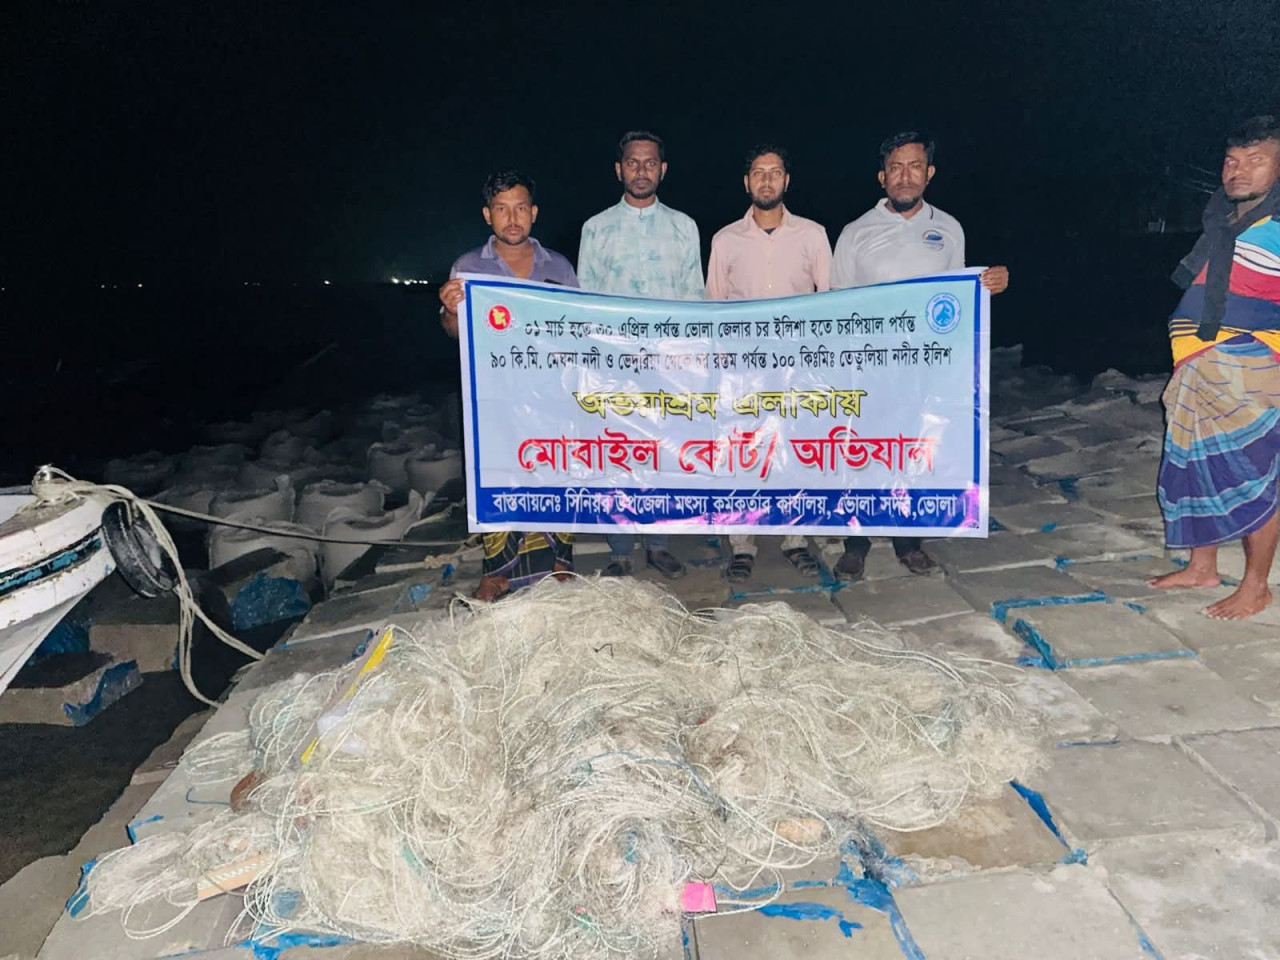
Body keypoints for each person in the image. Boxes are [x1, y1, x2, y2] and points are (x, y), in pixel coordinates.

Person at [830, 130, 1009, 581]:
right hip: (870, 369)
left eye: (914, 167)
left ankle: (908, 542)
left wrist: (989, 284)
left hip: (925, 370)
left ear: (929, 173)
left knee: (914, 453)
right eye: (895, 167)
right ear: (882, 177)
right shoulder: (855, 233)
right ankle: (856, 543)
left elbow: (956, 297)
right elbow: (837, 302)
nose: (904, 176)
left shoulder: (949, 229)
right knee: (864, 455)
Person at [1147, 116, 1280, 620]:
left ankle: (1256, 585)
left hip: (1251, 367)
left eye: (1255, 160)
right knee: (1194, 467)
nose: (1238, 170)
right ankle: (1202, 566)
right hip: (1196, 367)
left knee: (1252, 473)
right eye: (1231, 161)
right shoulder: (1221, 224)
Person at [438, 169, 579, 601]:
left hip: (550, 395)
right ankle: (498, 571)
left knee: (554, 472)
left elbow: (577, 327)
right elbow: (454, 332)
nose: (512, 218)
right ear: (488, 215)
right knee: (499, 476)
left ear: (533, 213)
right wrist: (450, 310)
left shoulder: (559, 266)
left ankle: (560, 562)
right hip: (494, 397)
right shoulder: (468, 268)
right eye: (502, 209)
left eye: (520, 208)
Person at [578, 130, 704, 579]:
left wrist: (689, 360)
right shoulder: (596, 229)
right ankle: (619, 550)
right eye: (633, 163)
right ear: (619, 170)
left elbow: (694, 297)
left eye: (650, 163)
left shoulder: (684, 227)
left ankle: (658, 544)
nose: (641, 171)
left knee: (663, 453)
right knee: (618, 456)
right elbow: (586, 302)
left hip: (668, 367)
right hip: (616, 367)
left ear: (662, 170)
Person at [706, 143, 831, 581]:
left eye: (774, 172)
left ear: (787, 180)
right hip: (742, 371)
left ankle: (795, 539)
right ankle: (742, 544)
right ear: (747, 182)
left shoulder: (813, 235)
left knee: (794, 452)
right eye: (758, 172)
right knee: (743, 452)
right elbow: (714, 308)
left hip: (798, 369)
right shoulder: (725, 240)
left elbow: (828, 302)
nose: (766, 180)